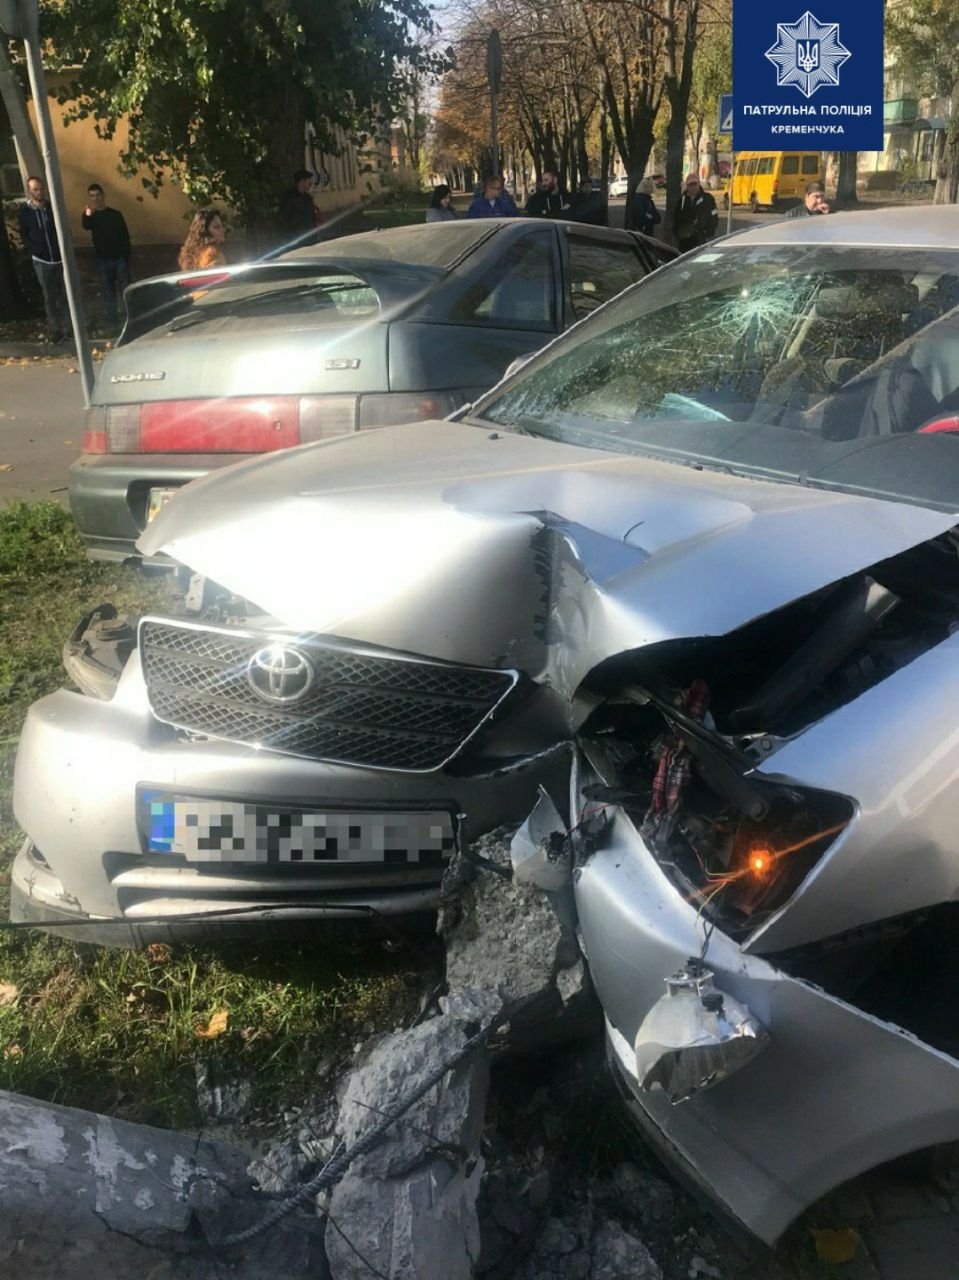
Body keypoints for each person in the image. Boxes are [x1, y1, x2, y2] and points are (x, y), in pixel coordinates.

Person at [17, 176, 69, 343]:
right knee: (50, 297)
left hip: (59, 258)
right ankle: (56, 329)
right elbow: (24, 233)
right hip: (42, 260)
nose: (40, 192)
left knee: (65, 295)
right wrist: (34, 250)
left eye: (41, 189)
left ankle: (70, 328)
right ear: (30, 191)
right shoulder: (25, 212)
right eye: (36, 189)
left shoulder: (52, 208)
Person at [81, 182, 131, 331]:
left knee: (125, 290)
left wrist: (126, 255)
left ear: (103, 196)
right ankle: (112, 321)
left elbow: (124, 235)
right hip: (103, 260)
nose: (95, 198)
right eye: (92, 196)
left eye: (97, 195)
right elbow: (86, 226)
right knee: (108, 292)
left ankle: (130, 318)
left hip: (119, 258)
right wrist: (87, 215)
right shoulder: (92, 216)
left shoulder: (115, 214)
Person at [673, 173, 718, 253]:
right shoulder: (682, 199)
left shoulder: (707, 199)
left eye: (695, 184)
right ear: (687, 186)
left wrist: (709, 234)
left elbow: (714, 217)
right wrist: (677, 233)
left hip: (701, 239)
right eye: (690, 184)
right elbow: (676, 217)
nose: (693, 187)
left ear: (699, 184)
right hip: (685, 240)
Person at [278, 169, 324, 247]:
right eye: (308, 180)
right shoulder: (289, 198)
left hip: (309, 237)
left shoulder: (308, 198)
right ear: (302, 181)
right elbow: (284, 218)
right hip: (295, 238)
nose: (310, 183)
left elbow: (311, 218)